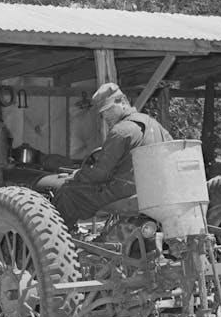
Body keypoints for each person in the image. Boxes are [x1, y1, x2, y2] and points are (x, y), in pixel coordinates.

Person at [54, 82, 172, 226]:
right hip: (154, 192)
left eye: (109, 110)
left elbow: (100, 174)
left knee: (67, 193)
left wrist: (76, 176)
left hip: (125, 193)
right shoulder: (155, 125)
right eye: (103, 113)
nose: (106, 116)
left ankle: (59, 243)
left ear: (123, 102)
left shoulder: (120, 131)